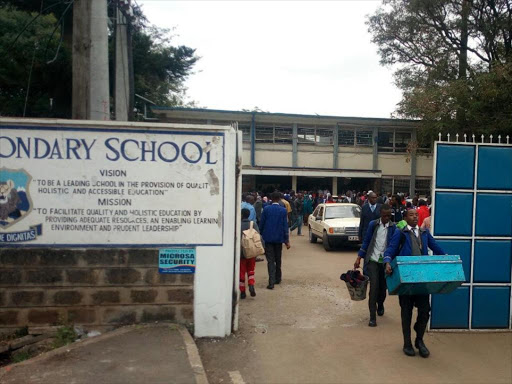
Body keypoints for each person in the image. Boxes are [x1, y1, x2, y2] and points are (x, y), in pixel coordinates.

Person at [383, 209, 446, 358]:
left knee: (425, 310)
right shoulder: (400, 232)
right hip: (405, 279)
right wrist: (387, 262)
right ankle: (407, 343)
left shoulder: (424, 233)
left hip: (422, 279)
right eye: (411, 215)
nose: (414, 217)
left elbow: (436, 247)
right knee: (406, 312)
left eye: (416, 215)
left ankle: (419, 339)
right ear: (405, 217)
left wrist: (446, 258)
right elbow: (390, 250)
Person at [354, 205, 396, 327]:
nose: (386, 218)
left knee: (383, 289)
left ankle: (381, 304)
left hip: (385, 262)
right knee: (373, 288)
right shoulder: (373, 225)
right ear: (380, 214)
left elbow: (394, 245)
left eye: (389, 216)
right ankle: (372, 317)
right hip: (372, 260)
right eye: (384, 216)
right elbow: (367, 241)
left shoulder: (394, 228)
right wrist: (359, 258)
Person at [259, 191, 291, 289]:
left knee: (270, 260)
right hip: (279, 238)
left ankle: (271, 282)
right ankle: (278, 278)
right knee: (278, 259)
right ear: (280, 199)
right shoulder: (283, 210)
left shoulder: (266, 209)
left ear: (271, 198)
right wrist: (286, 240)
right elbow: (285, 226)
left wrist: (260, 234)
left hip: (268, 238)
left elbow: (261, 224)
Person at [240, 208, 259, 299]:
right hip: (251, 252)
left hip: (241, 253)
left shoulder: (238, 225)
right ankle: (251, 284)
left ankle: (242, 291)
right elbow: (258, 237)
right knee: (251, 270)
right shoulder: (253, 224)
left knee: (241, 272)